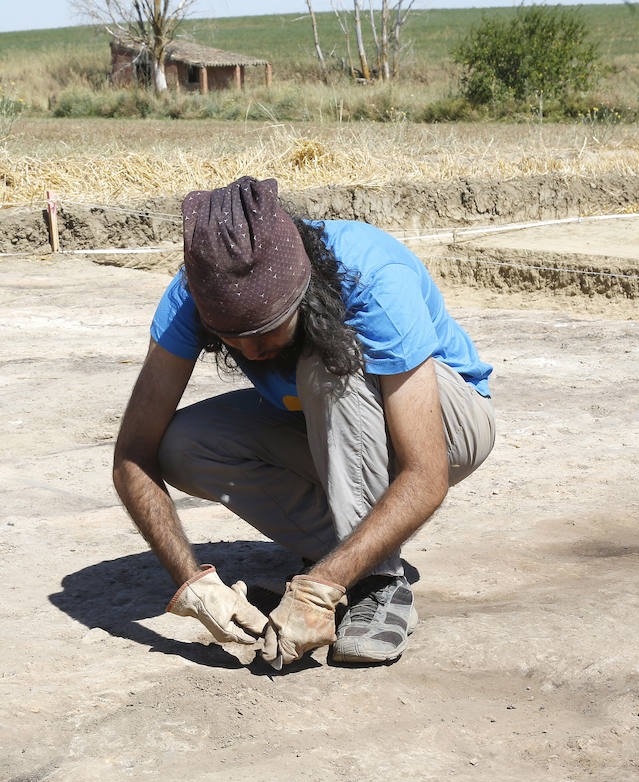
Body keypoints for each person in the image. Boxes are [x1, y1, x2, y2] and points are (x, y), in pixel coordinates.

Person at [113, 176, 495, 669]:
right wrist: (192, 583)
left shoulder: (371, 277)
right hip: (328, 427)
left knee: (326, 363)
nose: (251, 352)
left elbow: (426, 474)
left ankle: (375, 582)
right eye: (232, 338)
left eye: (266, 330)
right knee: (184, 444)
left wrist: (321, 590)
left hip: (451, 424)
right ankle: (346, 555)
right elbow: (132, 455)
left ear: (302, 291)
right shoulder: (195, 292)